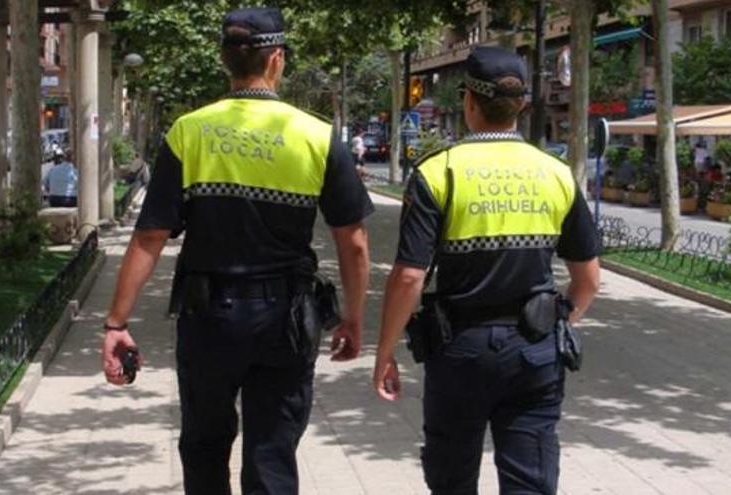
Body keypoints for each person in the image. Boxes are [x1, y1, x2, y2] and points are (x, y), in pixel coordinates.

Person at [101, 7, 373, 495]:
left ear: (225, 60)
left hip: (208, 319)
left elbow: (149, 237)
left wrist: (116, 323)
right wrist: (353, 316)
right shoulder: (316, 136)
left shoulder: (189, 131)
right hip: (287, 320)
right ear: (276, 60)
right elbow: (352, 241)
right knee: (271, 454)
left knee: (204, 448)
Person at [372, 46, 601, 494]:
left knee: (452, 477)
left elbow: (409, 277)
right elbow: (588, 280)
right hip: (535, 352)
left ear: (468, 101)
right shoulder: (554, 174)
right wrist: (557, 323)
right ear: (521, 106)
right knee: (531, 481)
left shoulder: (439, 172)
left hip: (460, 351)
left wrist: (384, 352)